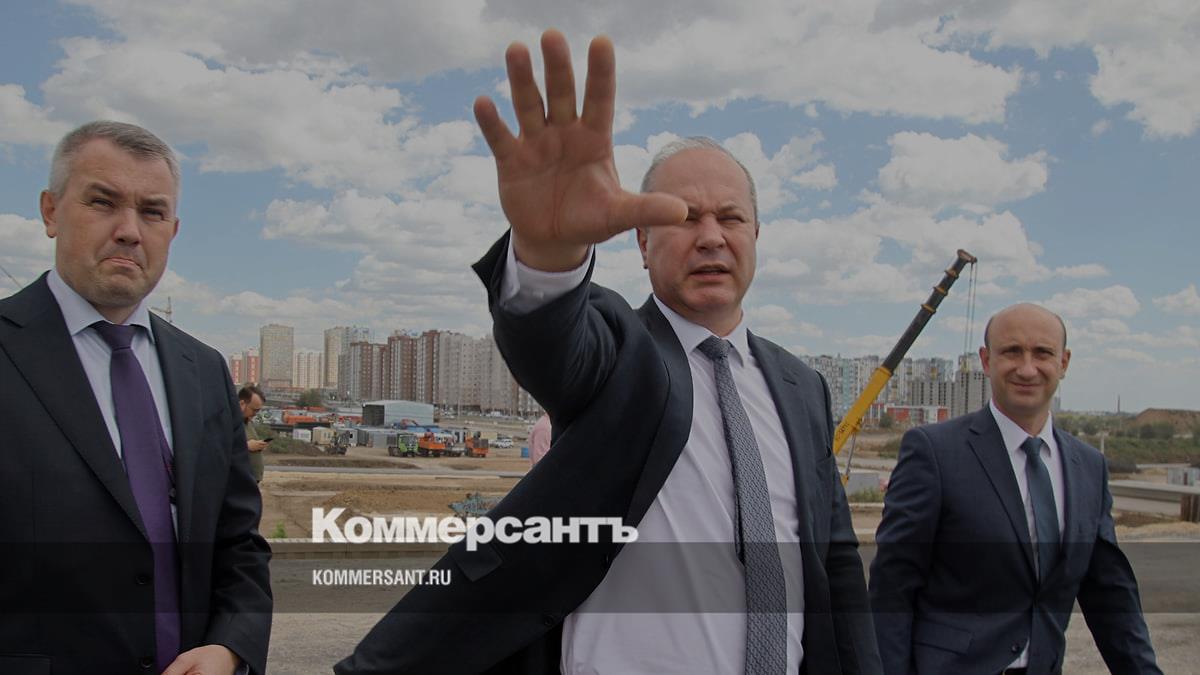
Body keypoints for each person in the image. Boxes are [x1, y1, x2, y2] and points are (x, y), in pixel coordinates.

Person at [337, 30, 880, 674]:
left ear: (756, 235)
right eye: (684, 217)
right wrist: (549, 252)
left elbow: (834, 564)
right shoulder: (619, 352)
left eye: (730, 218)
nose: (710, 236)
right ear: (642, 242)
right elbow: (552, 342)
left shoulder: (801, 387)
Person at [0, 121, 272, 674]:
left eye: (152, 212)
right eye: (103, 202)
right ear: (51, 212)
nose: (129, 231)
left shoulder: (204, 371)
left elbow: (238, 542)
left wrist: (230, 647)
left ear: (173, 230)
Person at [870, 303, 1160, 674]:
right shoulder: (934, 452)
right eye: (1012, 351)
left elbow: (1110, 594)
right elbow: (891, 589)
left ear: (1064, 363)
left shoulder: (1089, 467)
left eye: (1042, 353)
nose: (1027, 368)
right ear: (986, 360)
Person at [240, 384, 269, 483]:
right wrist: (246, 446)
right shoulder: (229, 422)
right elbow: (222, 448)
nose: (255, 414)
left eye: (258, 411)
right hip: (240, 480)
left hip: (251, 479)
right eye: (254, 410)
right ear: (242, 404)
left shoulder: (247, 421)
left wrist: (258, 445)